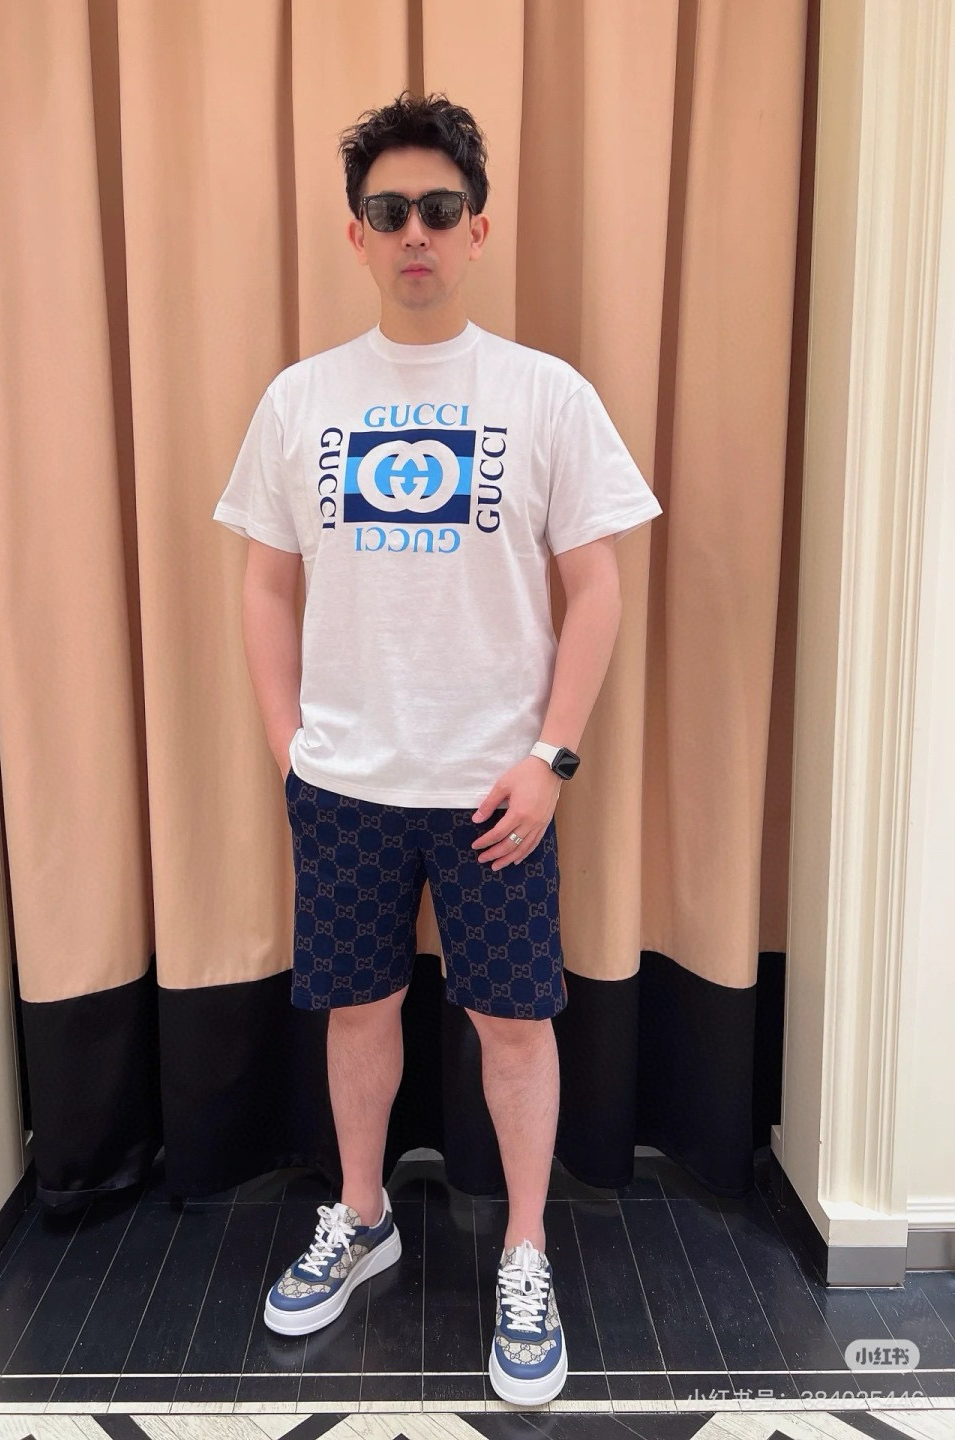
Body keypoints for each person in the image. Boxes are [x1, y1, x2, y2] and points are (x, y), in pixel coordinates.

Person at [213, 91, 662, 1408]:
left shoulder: (546, 394)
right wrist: (288, 746)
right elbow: (263, 585)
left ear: (478, 227)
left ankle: (525, 1252)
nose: (416, 230)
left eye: (440, 208)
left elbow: (599, 587)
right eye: (390, 210)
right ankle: (362, 1217)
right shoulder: (301, 401)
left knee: (513, 1026)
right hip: (345, 784)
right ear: (357, 234)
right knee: (357, 1011)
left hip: (496, 789)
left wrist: (553, 759)